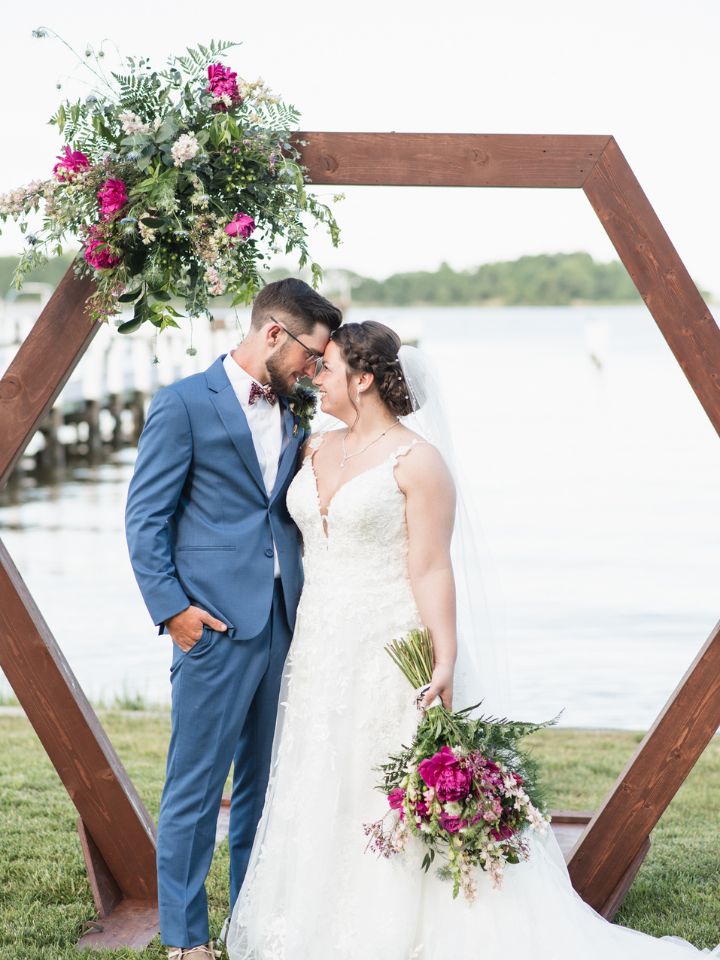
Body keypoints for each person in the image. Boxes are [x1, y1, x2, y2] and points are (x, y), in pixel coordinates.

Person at [226, 320, 720, 959]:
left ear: (365, 378)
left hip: (389, 644)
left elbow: (431, 565)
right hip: (319, 643)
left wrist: (445, 655)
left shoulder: (417, 461)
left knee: (383, 782)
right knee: (322, 775)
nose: (315, 373)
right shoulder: (313, 447)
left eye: (327, 365)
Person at [124, 278, 343, 960]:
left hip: (284, 625)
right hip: (212, 629)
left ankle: (250, 926)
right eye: (311, 353)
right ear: (274, 333)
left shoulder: (297, 413)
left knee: (265, 788)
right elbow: (144, 520)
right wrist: (175, 614)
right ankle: (186, 941)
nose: (314, 368)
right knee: (194, 789)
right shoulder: (184, 404)